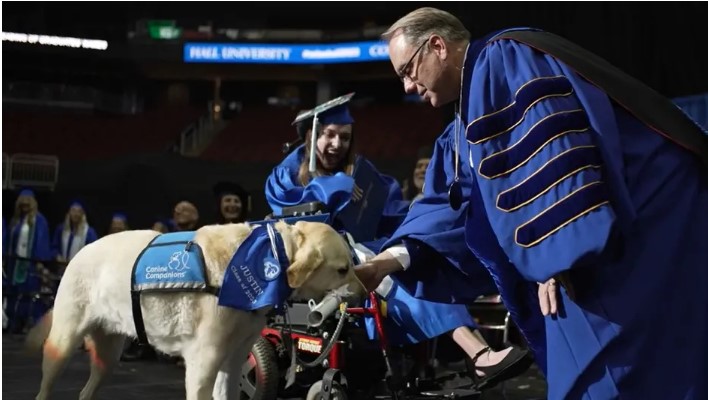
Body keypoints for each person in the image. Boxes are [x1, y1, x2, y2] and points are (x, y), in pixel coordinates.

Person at [355, 7, 708, 399]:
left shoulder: (504, 58)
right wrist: (388, 261)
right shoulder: (464, 121)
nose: (407, 86)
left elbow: (554, 150)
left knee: (626, 373)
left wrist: (557, 256)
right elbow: (453, 205)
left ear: (437, 46)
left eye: (407, 70)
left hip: (643, 222)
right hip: (582, 253)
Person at [265, 95, 529, 387]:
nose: (337, 144)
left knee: (413, 262)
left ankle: (475, 354)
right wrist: (334, 188)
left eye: (344, 137)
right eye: (329, 135)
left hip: (366, 249)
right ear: (310, 135)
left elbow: (391, 211)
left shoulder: (361, 173)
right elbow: (291, 217)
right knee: (395, 274)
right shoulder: (286, 174)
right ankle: (477, 353)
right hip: (325, 261)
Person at [6, 189, 51, 332]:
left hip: (30, 265)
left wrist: (39, 261)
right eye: (22, 202)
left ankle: (31, 325)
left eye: (27, 202)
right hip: (15, 264)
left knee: (29, 293)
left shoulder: (39, 220)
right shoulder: (15, 220)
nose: (24, 205)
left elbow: (41, 241)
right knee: (14, 293)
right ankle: (14, 323)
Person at [51, 201, 98, 270]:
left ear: (83, 214)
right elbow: (54, 247)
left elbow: (93, 253)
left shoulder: (89, 232)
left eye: (79, 211)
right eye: (73, 210)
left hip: (79, 270)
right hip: (61, 269)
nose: (76, 214)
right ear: (69, 212)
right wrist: (58, 257)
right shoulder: (61, 229)